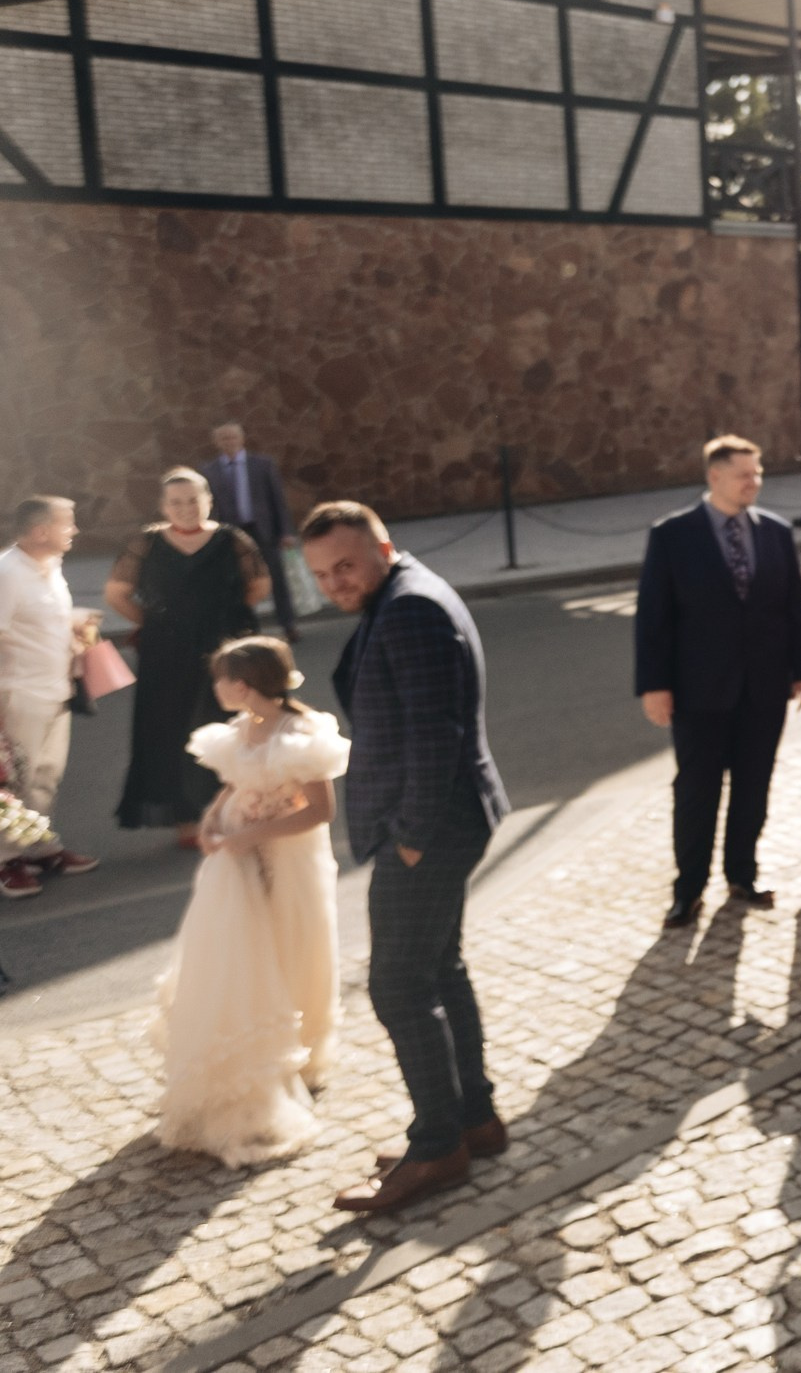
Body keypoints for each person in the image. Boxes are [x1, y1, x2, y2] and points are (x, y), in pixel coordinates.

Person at [302, 501, 512, 1215]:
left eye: (346, 565)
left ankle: (437, 1146)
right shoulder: (400, 591)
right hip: (442, 819)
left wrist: (414, 833)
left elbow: (435, 732)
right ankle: (473, 1119)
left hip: (432, 826)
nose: (335, 583)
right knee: (437, 968)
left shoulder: (411, 607)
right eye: (322, 574)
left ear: (382, 547)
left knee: (397, 984)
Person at [153, 635, 346, 1166]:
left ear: (241, 684)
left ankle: (303, 1048)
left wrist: (252, 837)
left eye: (219, 677)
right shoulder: (239, 729)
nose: (215, 687)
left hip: (290, 859)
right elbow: (236, 784)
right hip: (239, 859)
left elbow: (320, 811)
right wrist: (217, 819)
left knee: (293, 940)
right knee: (243, 954)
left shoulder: (303, 735)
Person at [635, 437, 801, 929]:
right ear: (714, 476)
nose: (753, 482)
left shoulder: (776, 533)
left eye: (757, 474)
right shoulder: (673, 535)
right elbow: (655, 617)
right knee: (697, 791)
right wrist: (655, 685)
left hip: (763, 689)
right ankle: (688, 889)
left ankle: (742, 875)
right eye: (744, 474)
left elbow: (793, 608)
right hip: (699, 692)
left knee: (753, 787)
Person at [108, 468, 267, 842]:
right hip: (166, 653)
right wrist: (155, 624)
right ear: (163, 506)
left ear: (208, 500)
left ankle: (240, 810)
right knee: (170, 730)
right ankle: (187, 821)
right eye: (176, 502)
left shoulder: (233, 540)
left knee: (233, 724)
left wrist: (226, 618)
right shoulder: (145, 543)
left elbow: (259, 584)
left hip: (226, 649)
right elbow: (116, 593)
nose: (185, 508)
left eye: (193, 499)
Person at [0, 497, 101, 897]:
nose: (74, 531)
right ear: (41, 532)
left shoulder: (49, 567)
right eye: (67, 524)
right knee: (14, 784)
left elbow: (34, 622)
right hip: (19, 693)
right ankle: (8, 861)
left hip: (56, 689)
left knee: (45, 779)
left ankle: (41, 848)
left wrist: (74, 627)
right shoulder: (7, 572)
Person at [202, 422, 300, 641]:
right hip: (230, 534)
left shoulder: (262, 465)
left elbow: (278, 500)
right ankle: (247, 629)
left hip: (263, 531)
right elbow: (208, 506)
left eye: (233, 437)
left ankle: (288, 624)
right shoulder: (209, 471)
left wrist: (286, 531)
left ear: (242, 438)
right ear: (216, 442)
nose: (229, 442)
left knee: (276, 579)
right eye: (224, 438)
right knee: (237, 582)